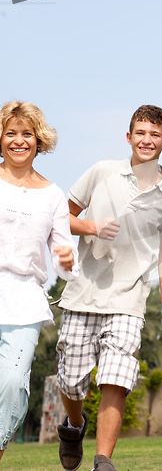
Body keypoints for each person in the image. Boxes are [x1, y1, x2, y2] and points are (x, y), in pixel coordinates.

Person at [56, 105, 162, 471]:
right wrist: (93, 226)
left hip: (129, 298)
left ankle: (103, 461)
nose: (147, 140)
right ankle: (74, 425)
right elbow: (61, 218)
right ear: (129, 137)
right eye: (140, 133)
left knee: (118, 374)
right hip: (83, 291)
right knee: (72, 378)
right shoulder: (102, 172)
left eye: (154, 135)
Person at [0, 101, 79, 461]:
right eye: (10, 132)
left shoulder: (52, 195)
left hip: (24, 301)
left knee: (13, 384)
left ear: (38, 140)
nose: (19, 141)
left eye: (26, 133)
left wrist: (65, 258)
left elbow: (63, 258)